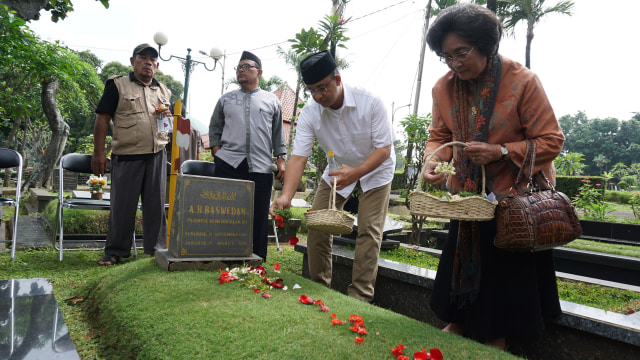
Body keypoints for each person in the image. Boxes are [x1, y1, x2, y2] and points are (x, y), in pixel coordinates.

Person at [422, 3, 565, 350]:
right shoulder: (443, 88)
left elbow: (551, 141)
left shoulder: (522, 81)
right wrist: (433, 160)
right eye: (446, 56)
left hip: (513, 200)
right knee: (463, 253)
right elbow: (439, 136)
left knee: (504, 270)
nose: (455, 64)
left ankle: (496, 336)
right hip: (469, 198)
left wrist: (501, 152)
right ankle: (460, 321)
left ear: (486, 45)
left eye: (462, 53)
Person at [269, 50, 396, 303]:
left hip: (376, 169)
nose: (317, 96)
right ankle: (319, 288)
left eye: (322, 88)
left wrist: (357, 173)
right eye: (311, 90)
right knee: (317, 225)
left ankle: (360, 296)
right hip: (337, 171)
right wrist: (286, 196)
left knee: (369, 230)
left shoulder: (370, 101)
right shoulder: (310, 112)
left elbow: (384, 149)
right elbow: (298, 157)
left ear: (337, 80)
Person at [92, 43, 172, 265]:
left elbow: (170, 125)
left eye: (152, 59)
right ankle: (116, 252)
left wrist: (168, 116)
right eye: (143, 57)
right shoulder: (117, 85)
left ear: (157, 65)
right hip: (127, 155)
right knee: (123, 207)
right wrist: (99, 153)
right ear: (132, 61)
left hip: (157, 154)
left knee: (156, 207)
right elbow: (102, 119)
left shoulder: (164, 91)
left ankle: (156, 250)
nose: (148, 62)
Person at [208, 50, 286, 261]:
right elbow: (214, 128)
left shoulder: (272, 100)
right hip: (228, 164)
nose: (241, 70)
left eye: (246, 67)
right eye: (239, 67)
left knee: (258, 216)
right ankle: (223, 256)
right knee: (226, 213)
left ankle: (257, 258)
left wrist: (281, 158)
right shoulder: (226, 99)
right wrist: (217, 153)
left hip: (260, 167)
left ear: (259, 71)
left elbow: (278, 133)